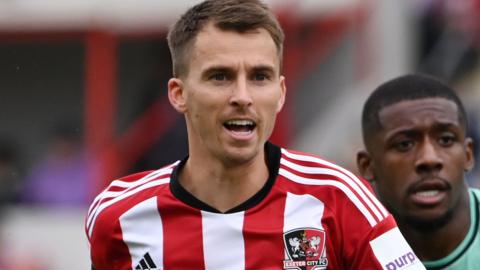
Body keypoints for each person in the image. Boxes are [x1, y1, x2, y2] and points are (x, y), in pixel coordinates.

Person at [85, 1, 425, 269]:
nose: (243, 96)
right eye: (220, 76)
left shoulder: (339, 199)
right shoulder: (119, 216)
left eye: (260, 77)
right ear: (178, 93)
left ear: (280, 93)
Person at [357, 74, 479, 269]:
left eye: (446, 140)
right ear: (367, 165)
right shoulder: (343, 246)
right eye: (405, 144)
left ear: (468, 154)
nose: (429, 159)